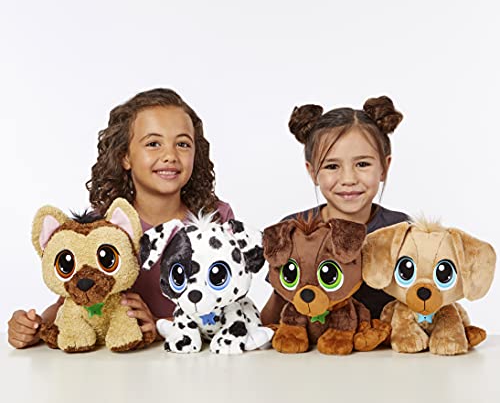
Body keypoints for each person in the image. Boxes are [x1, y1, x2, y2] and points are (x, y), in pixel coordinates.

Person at [8, 88, 234, 348]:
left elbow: (232, 307)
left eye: (183, 144)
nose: (170, 156)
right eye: (153, 143)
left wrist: (161, 325)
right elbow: (71, 302)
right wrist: (33, 326)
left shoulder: (216, 219)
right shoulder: (101, 228)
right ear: (125, 156)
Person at [260, 96, 409, 325]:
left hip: (382, 345)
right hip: (314, 345)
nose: (348, 179)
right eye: (331, 166)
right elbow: (276, 310)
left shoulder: (400, 231)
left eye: (362, 164)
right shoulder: (293, 230)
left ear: (384, 167)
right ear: (312, 172)